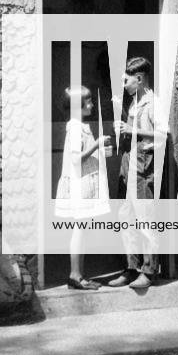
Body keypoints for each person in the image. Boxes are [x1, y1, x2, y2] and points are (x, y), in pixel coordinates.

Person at [108, 56, 160, 289]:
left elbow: (163, 135)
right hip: (129, 162)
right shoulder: (134, 102)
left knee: (145, 220)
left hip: (143, 164)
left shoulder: (153, 103)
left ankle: (149, 272)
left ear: (139, 79)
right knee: (126, 217)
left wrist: (131, 129)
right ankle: (132, 268)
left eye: (126, 80)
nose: (123, 83)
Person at [55, 84, 112, 290]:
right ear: (78, 106)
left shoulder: (80, 126)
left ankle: (78, 274)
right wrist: (96, 144)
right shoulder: (75, 128)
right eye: (88, 101)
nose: (92, 104)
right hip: (80, 185)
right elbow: (76, 158)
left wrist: (98, 152)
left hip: (85, 182)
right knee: (79, 229)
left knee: (83, 229)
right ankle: (75, 275)